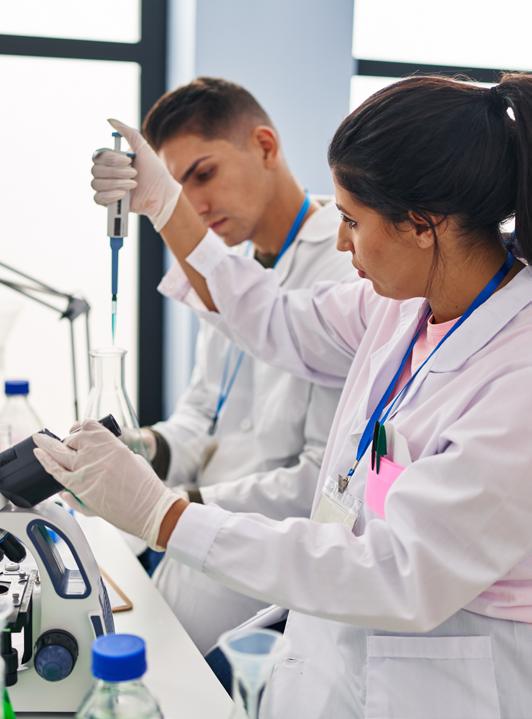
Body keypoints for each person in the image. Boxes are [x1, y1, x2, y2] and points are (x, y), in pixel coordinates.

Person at [35, 73, 532, 719]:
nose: (342, 240)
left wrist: (166, 515)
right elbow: (271, 317)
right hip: (333, 649)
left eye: (352, 220)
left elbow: (399, 572)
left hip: (442, 684)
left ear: (421, 225)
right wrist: (163, 205)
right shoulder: (403, 308)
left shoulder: (515, 376)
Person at [117, 77, 353, 653]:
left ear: (265, 146)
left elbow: (322, 479)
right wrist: (143, 447)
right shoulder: (233, 272)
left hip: (262, 567)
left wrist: (183, 507)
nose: (194, 206)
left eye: (204, 174)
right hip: (193, 542)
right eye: (176, 189)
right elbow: (203, 414)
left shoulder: (345, 267)